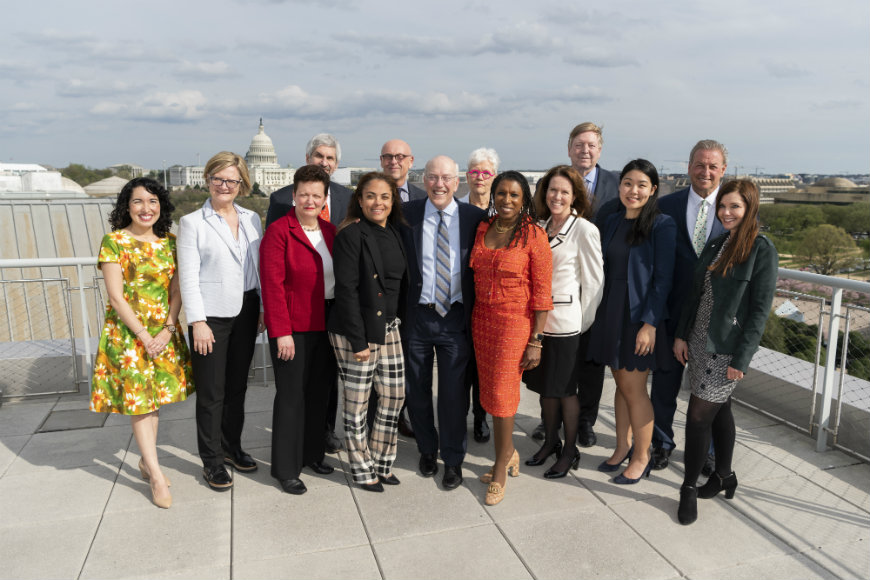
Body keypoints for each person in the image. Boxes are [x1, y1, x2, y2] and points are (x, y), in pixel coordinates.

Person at [673, 179, 778, 525]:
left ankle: (688, 488)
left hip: (726, 349)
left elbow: (760, 310)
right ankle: (724, 475)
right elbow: (694, 294)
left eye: (735, 206)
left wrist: (742, 359)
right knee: (722, 411)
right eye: (723, 206)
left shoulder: (761, 250)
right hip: (700, 341)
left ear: (750, 208)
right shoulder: (718, 243)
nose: (726, 212)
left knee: (699, 416)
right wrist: (681, 335)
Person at [91, 177, 194, 509]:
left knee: (154, 400)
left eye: (152, 201)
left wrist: (167, 328)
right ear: (127, 206)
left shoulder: (170, 242)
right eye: (138, 201)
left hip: (163, 333)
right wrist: (145, 336)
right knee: (140, 404)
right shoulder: (114, 242)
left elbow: (177, 291)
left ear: (161, 205)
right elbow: (116, 298)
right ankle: (155, 473)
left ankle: (145, 461)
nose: (146, 208)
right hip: (130, 335)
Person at [177, 151, 264, 491]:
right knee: (212, 393)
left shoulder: (252, 218)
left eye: (232, 180)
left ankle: (231, 446)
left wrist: (260, 308)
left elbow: (256, 268)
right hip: (211, 317)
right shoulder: (192, 223)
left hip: (246, 309)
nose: (224, 185)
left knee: (237, 388)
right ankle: (211, 461)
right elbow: (188, 278)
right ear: (208, 180)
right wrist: (197, 321)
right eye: (218, 178)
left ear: (242, 183)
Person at [400, 155, 486, 490]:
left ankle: (453, 460)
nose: (439, 184)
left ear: (457, 181)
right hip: (417, 316)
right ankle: (426, 449)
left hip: (455, 319)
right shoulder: (406, 216)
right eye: (433, 177)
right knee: (417, 390)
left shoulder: (475, 218)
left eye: (446, 178)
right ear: (424, 180)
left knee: (452, 395)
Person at [587, 159, 676, 484]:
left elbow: (663, 280)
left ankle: (643, 455)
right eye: (627, 183)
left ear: (653, 189)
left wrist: (650, 324)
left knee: (635, 389)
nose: (633, 190)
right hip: (611, 311)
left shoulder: (661, 225)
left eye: (641, 185)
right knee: (621, 385)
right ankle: (623, 446)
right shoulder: (611, 221)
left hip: (639, 317)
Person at [471, 170, 553, 505]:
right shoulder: (483, 228)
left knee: (503, 397)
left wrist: (536, 340)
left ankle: (500, 467)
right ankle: (511, 452)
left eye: (514, 195)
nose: (506, 200)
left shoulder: (534, 235)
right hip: (481, 321)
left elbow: (543, 293)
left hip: (514, 325)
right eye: (501, 193)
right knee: (490, 394)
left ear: (525, 200)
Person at [265, 133, 349, 453]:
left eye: (330, 158)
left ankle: (321, 437)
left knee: (324, 386)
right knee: (294, 391)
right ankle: (293, 450)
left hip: (330, 313)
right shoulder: (279, 201)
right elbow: (273, 271)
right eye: (319, 156)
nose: (324, 162)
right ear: (307, 159)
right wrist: (278, 325)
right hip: (296, 313)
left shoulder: (345, 199)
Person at [327, 171, 408, 492]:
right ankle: (361, 468)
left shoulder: (395, 233)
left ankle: (382, 460)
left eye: (385, 196)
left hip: (388, 327)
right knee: (357, 403)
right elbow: (345, 290)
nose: (378, 202)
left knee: (394, 395)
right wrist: (358, 340)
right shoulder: (351, 234)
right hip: (355, 331)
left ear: (393, 201)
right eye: (371, 196)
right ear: (359, 200)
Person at [260, 165, 338, 496]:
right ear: (293, 195)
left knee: (319, 395)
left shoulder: (330, 231)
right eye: (303, 194)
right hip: (293, 328)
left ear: (324, 199)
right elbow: (272, 286)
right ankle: (286, 468)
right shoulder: (279, 232)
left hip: (326, 325)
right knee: (291, 397)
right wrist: (281, 333)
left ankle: (312, 455)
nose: (310, 200)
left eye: (316, 195)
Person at [650, 140, 728, 471]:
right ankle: (661, 443)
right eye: (700, 164)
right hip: (671, 314)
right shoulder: (665, 205)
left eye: (712, 166)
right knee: (664, 387)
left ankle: (706, 451)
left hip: (714, 319)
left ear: (723, 170)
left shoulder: (733, 208)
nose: (705, 172)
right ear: (689, 167)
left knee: (708, 391)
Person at [523, 166, 604, 478]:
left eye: (564, 192)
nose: (557, 196)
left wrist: (582, 323)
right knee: (546, 390)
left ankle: (570, 451)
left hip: (567, 324)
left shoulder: (584, 230)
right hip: (540, 326)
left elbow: (595, 283)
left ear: (575, 197)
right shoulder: (539, 226)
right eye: (552, 190)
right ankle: (551, 443)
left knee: (566, 390)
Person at [458, 147, 500, 444]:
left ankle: (481, 417)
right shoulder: (456, 207)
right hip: (462, 296)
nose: (480, 178)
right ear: (467, 176)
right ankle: (458, 415)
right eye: (474, 172)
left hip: (492, 300)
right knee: (464, 363)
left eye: (485, 172)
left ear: (493, 176)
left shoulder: (503, 212)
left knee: (485, 365)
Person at [568, 122, 620, 217]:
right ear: (569, 150)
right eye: (579, 145)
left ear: (599, 151)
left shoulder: (617, 184)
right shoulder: (548, 183)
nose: (585, 150)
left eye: (591, 146)